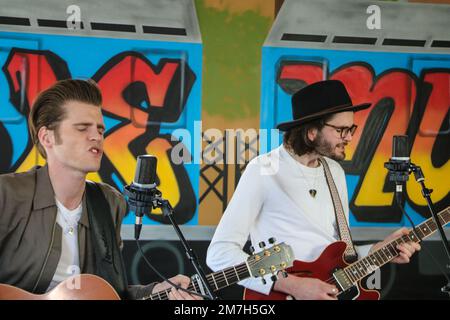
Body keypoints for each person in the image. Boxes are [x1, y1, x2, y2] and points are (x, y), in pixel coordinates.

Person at [206, 80, 420, 300]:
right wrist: (293, 285)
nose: (349, 137)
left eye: (351, 129)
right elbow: (219, 254)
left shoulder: (334, 171)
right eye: (341, 130)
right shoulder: (263, 170)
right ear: (311, 132)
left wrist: (379, 250)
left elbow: (339, 256)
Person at [0, 79, 201, 300]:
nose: (96, 136)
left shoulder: (108, 202)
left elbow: (107, 293)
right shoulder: (7, 195)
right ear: (47, 137)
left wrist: (154, 291)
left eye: (100, 129)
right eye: (82, 128)